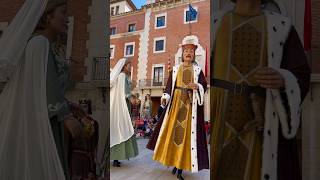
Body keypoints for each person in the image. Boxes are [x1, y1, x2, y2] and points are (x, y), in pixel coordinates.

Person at [210, 0, 311, 180]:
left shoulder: (282, 27)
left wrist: (284, 78)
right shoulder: (214, 24)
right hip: (221, 124)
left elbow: (301, 74)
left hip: (263, 126)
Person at [0, 0, 82, 179]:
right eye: (63, 13)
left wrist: (68, 105)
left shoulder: (41, 44)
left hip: (47, 119)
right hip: (43, 123)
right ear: (48, 16)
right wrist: (66, 116)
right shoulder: (39, 43)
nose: (67, 19)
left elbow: (39, 86)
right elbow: (46, 86)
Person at [147, 42, 209, 180]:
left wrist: (197, 85)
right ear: (182, 54)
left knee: (186, 137)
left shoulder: (198, 71)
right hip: (175, 107)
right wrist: (165, 97)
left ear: (193, 55)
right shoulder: (175, 69)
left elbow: (204, 86)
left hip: (190, 109)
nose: (188, 53)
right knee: (173, 134)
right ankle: (175, 163)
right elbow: (169, 87)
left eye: (191, 52)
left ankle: (180, 167)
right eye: (186, 51)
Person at [108, 58, 138, 168]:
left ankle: (116, 158)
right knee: (121, 129)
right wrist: (132, 99)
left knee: (120, 129)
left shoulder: (123, 77)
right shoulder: (122, 76)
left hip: (123, 106)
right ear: (124, 66)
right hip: (121, 107)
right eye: (129, 65)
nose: (130, 67)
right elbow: (125, 92)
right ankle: (115, 158)